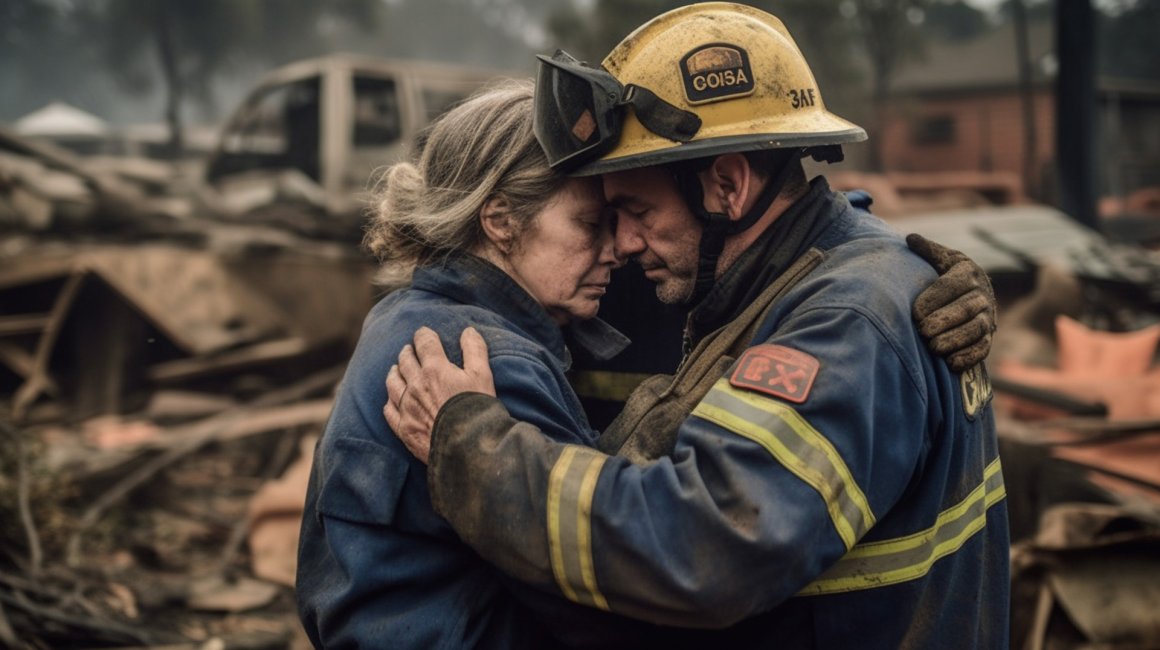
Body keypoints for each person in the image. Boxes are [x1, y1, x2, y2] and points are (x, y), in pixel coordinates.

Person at [385, 4, 1009, 649]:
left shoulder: (849, 317)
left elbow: (708, 549)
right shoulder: (773, 271)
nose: (620, 245)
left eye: (632, 210)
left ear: (727, 185)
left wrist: (470, 446)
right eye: (601, 221)